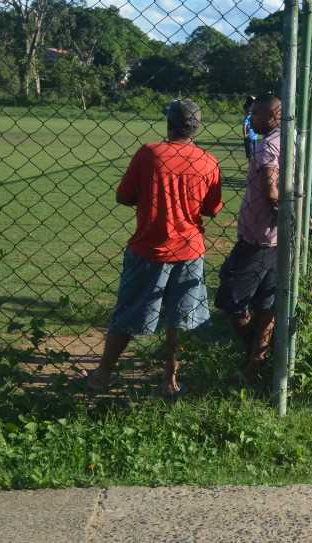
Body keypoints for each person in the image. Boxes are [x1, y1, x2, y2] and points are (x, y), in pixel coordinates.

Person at [87, 99, 222, 398]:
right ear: (196, 127)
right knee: (180, 318)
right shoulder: (208, 161)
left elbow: (124, 196)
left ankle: (103, 374)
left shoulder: (150, 154)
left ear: (169, 123)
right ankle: (170, 378)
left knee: (127, 314)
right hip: (189, 248)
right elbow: (213, 208)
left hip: (149, 247)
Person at [217, 94, 283, 385]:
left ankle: (252, 350)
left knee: (230, 298)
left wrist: (277, 209)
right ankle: (257, 361)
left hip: (258, 238)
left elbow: (270, 186)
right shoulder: (288, 139)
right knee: (267, 303)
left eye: (255, 114)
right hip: (276, 239)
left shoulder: (268, 144)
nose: (250, 119)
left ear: (272, 116)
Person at [242, 96, 258, 160]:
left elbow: (244, 126)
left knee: (252, 154)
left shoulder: (251, 115)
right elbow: (244, 126)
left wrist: (245, 135)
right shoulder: (249, 116)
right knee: (252, 154)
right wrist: (245, 135)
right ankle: (252, 166)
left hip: (252, 137)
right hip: (251, 137)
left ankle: (252, 166)